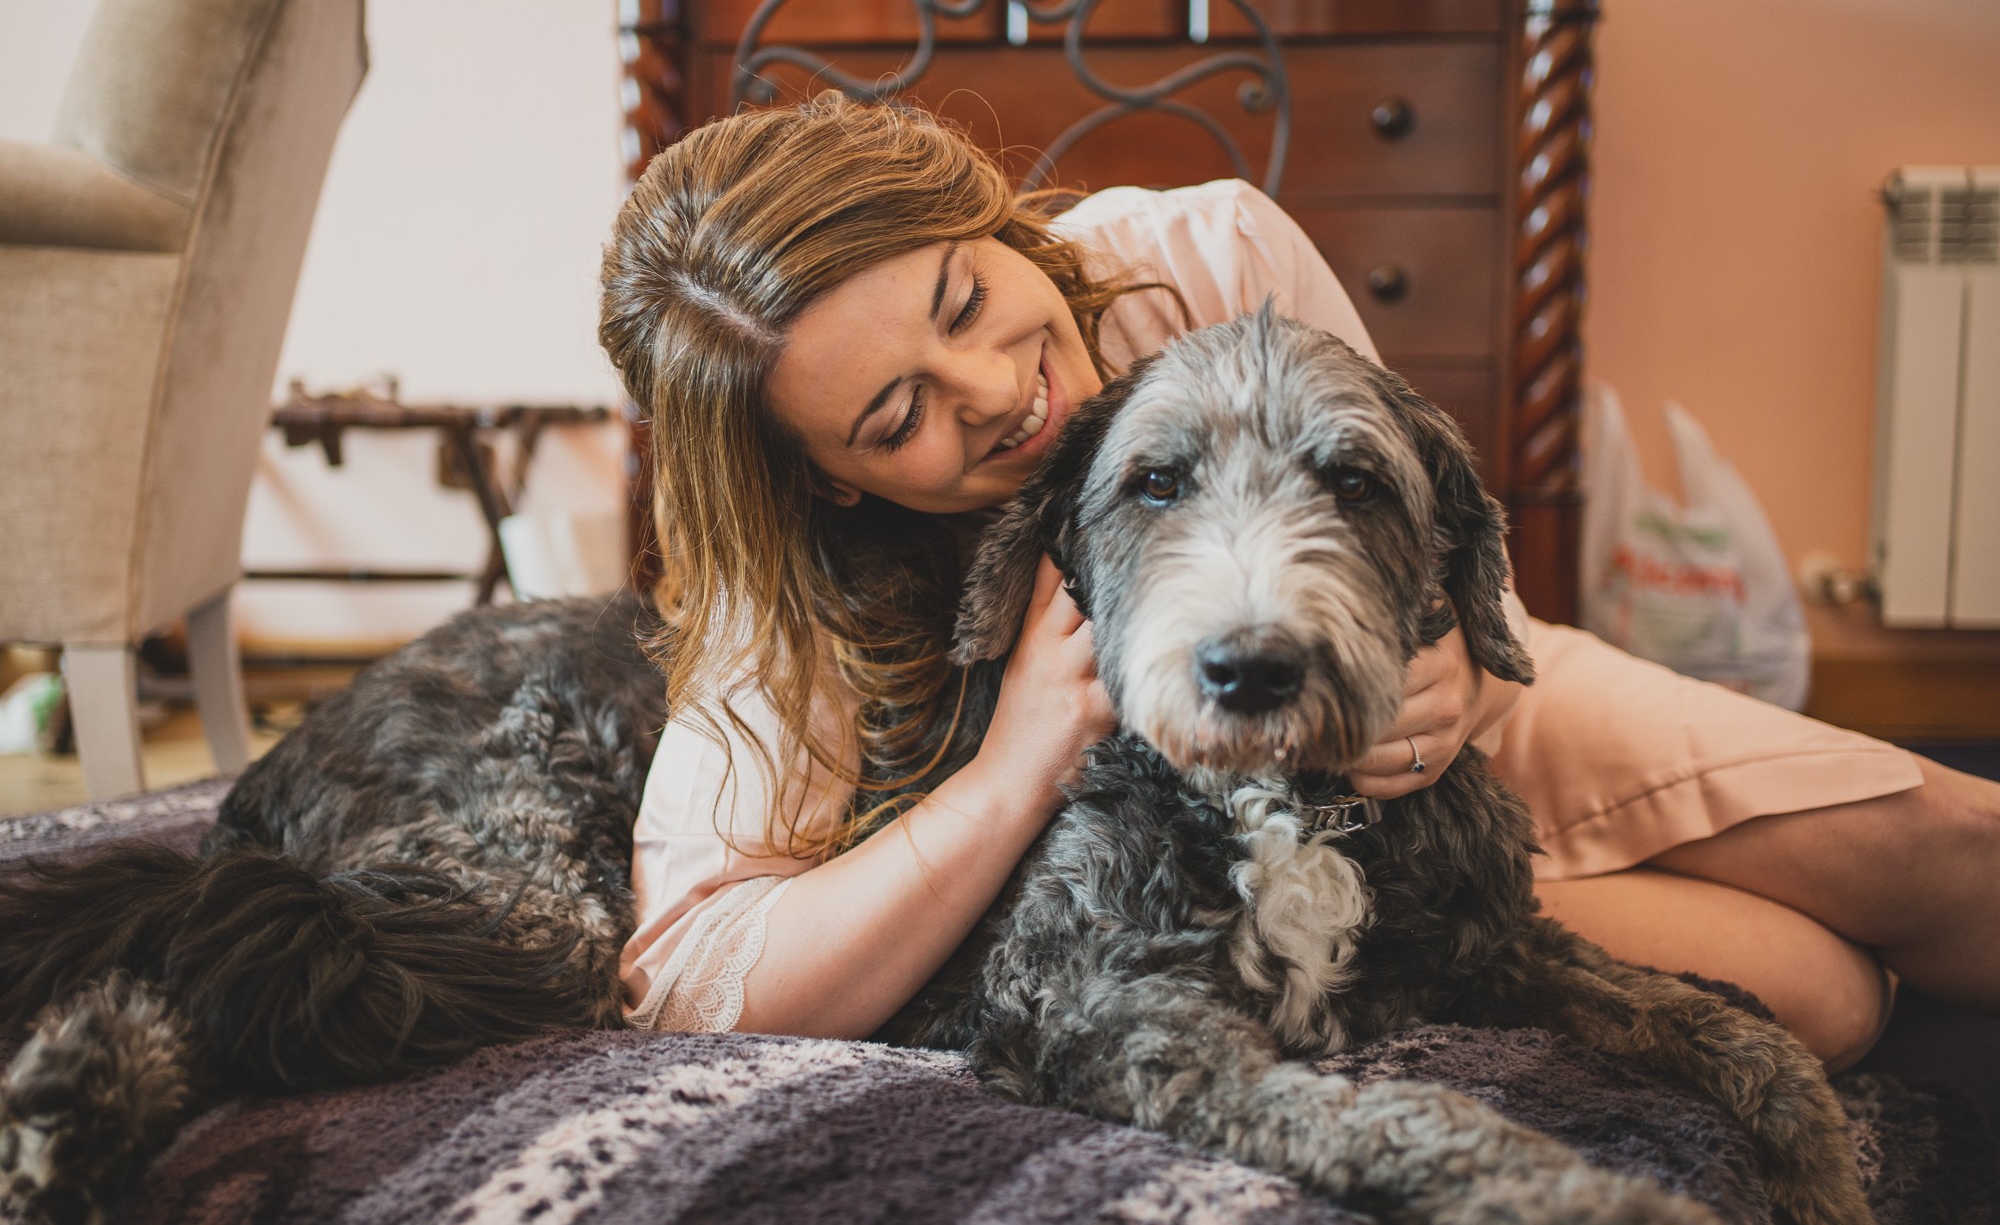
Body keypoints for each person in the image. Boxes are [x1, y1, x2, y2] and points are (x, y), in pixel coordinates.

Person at [598, 93, 1999, 1069]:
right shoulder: (786, 598)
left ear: (982, 216)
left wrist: (1440, 657)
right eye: (895, 418)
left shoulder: (1210, 253)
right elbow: (694, 981)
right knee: (1821, 992)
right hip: (1244, 873)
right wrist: (1018, 758)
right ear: (828, 476)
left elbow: (1408, 533)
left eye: (964, 300)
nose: (994, 391)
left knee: (1954, 846)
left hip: (1458, 722)